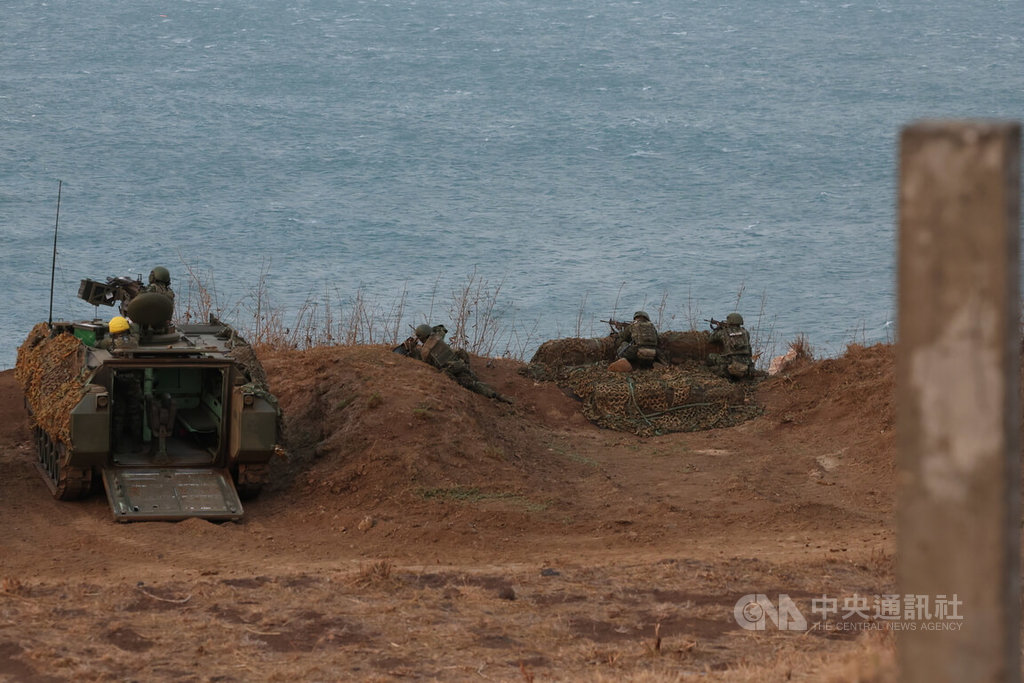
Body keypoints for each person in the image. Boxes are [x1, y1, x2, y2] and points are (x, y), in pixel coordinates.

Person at [403, 324, 513, 403]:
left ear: (421, 337)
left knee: (472, 384)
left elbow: (423, 363)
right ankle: (490, 390)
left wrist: (412, 350)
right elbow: (442, 327)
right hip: (460, 363)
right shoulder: (437, 336)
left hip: (453, 369)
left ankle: (497, 396)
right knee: (472, 376)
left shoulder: (425, 351)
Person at [707, 312, 755, 380]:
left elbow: (710, 339)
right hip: (746, 362)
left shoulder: (723, 332)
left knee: (710, 356)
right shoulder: (745, 332)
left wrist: (719, 328)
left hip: (730, 361)